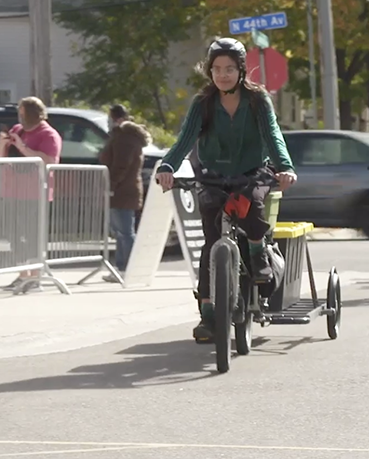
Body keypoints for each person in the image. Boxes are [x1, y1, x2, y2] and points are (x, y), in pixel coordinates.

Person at [155, 38, 296, 343]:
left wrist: (285, 167)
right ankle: (208, 316)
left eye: (229, 69)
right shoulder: (202, 104)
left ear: (241, 70)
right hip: (212, 176)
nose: (222, 75)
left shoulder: (258, 101)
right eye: (217, 69)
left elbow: (273, 135)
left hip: (251, 173)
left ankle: (258, 253)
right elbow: (184, 140)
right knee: (211, 243)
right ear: (209, 71)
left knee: (253, 206)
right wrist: (167, 166)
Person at [0, 97, 63, 292]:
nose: (21, 117)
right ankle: (22, 275)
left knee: (32, 235)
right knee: (13, 234)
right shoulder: (17, 130)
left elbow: (49, 160)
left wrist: (23, 147)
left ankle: (35, 277)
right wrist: (3, 143)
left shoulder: (49, 134)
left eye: (23, 113)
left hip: (34, 193)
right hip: (11, 190)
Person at [99, 104, 151, 281]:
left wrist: (111, 185)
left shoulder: (125, 138)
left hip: (123, 190)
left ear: (118, 119)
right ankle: (122, 268)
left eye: (110, 118)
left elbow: (121, 165)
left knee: (125, 231)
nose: (109, 122)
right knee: (121, 231)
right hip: (125, 189)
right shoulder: (125, 137)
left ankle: (131, 267)